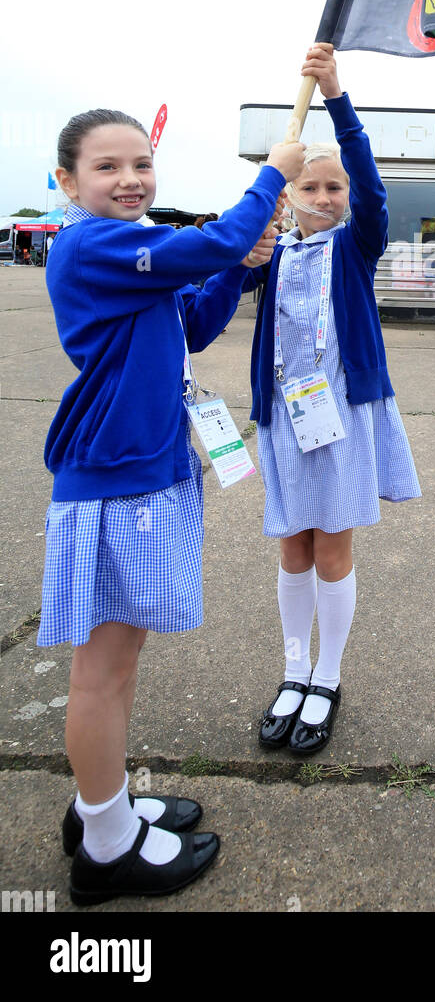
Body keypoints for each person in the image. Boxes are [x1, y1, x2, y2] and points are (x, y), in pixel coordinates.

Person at [42, 106, 303, 905]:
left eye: (141, 164)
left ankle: (104, 809)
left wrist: (238, 267)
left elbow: (189, 322)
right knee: (102, 675)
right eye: (107, 167)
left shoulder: (129, 254)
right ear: (66, 182)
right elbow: (213, 239)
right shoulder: (91, 242)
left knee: (117, 670)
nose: (129, 180)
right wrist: (271, 179)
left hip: (144, 475)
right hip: (118, 483)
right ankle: (108, 849)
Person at [244, 44, 421, 757]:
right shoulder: (273, 252)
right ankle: (292, 670)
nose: (323, 198)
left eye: (333, 189)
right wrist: (250, 229)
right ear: (287, 195)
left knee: (333, 547)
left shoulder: (356, 246)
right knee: (291, 547)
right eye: (308, 188)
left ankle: (327, 675)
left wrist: (339, 99)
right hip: (285, 420)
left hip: (341, 419)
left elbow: (372, 191)